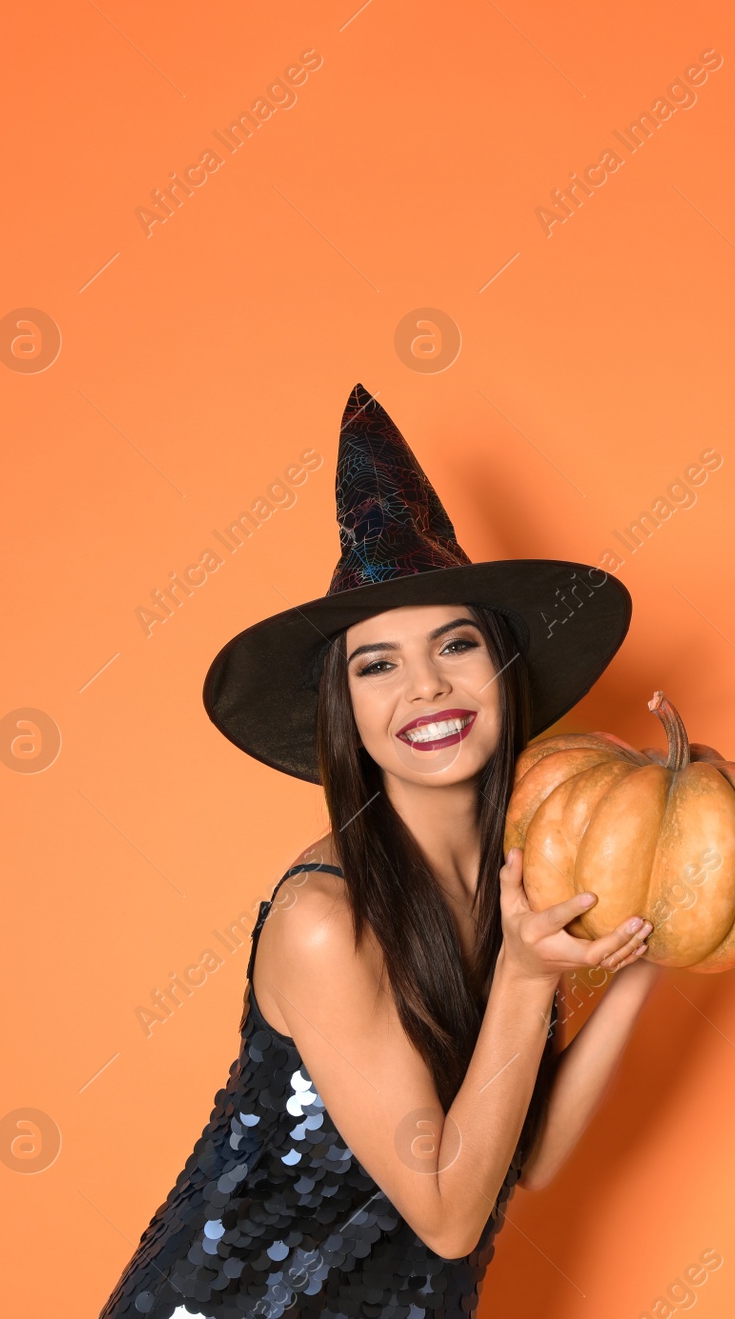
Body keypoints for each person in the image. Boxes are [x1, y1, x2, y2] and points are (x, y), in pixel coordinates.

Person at [100, 384, 654, 1318]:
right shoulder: (324, 921)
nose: (427, 688)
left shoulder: (522, 878)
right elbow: (447, 1217)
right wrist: (523, 982)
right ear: (347, 712)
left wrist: (653, 939)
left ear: (503, 671)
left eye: (457, 645)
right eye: (378, 664)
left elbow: (532, 1153)